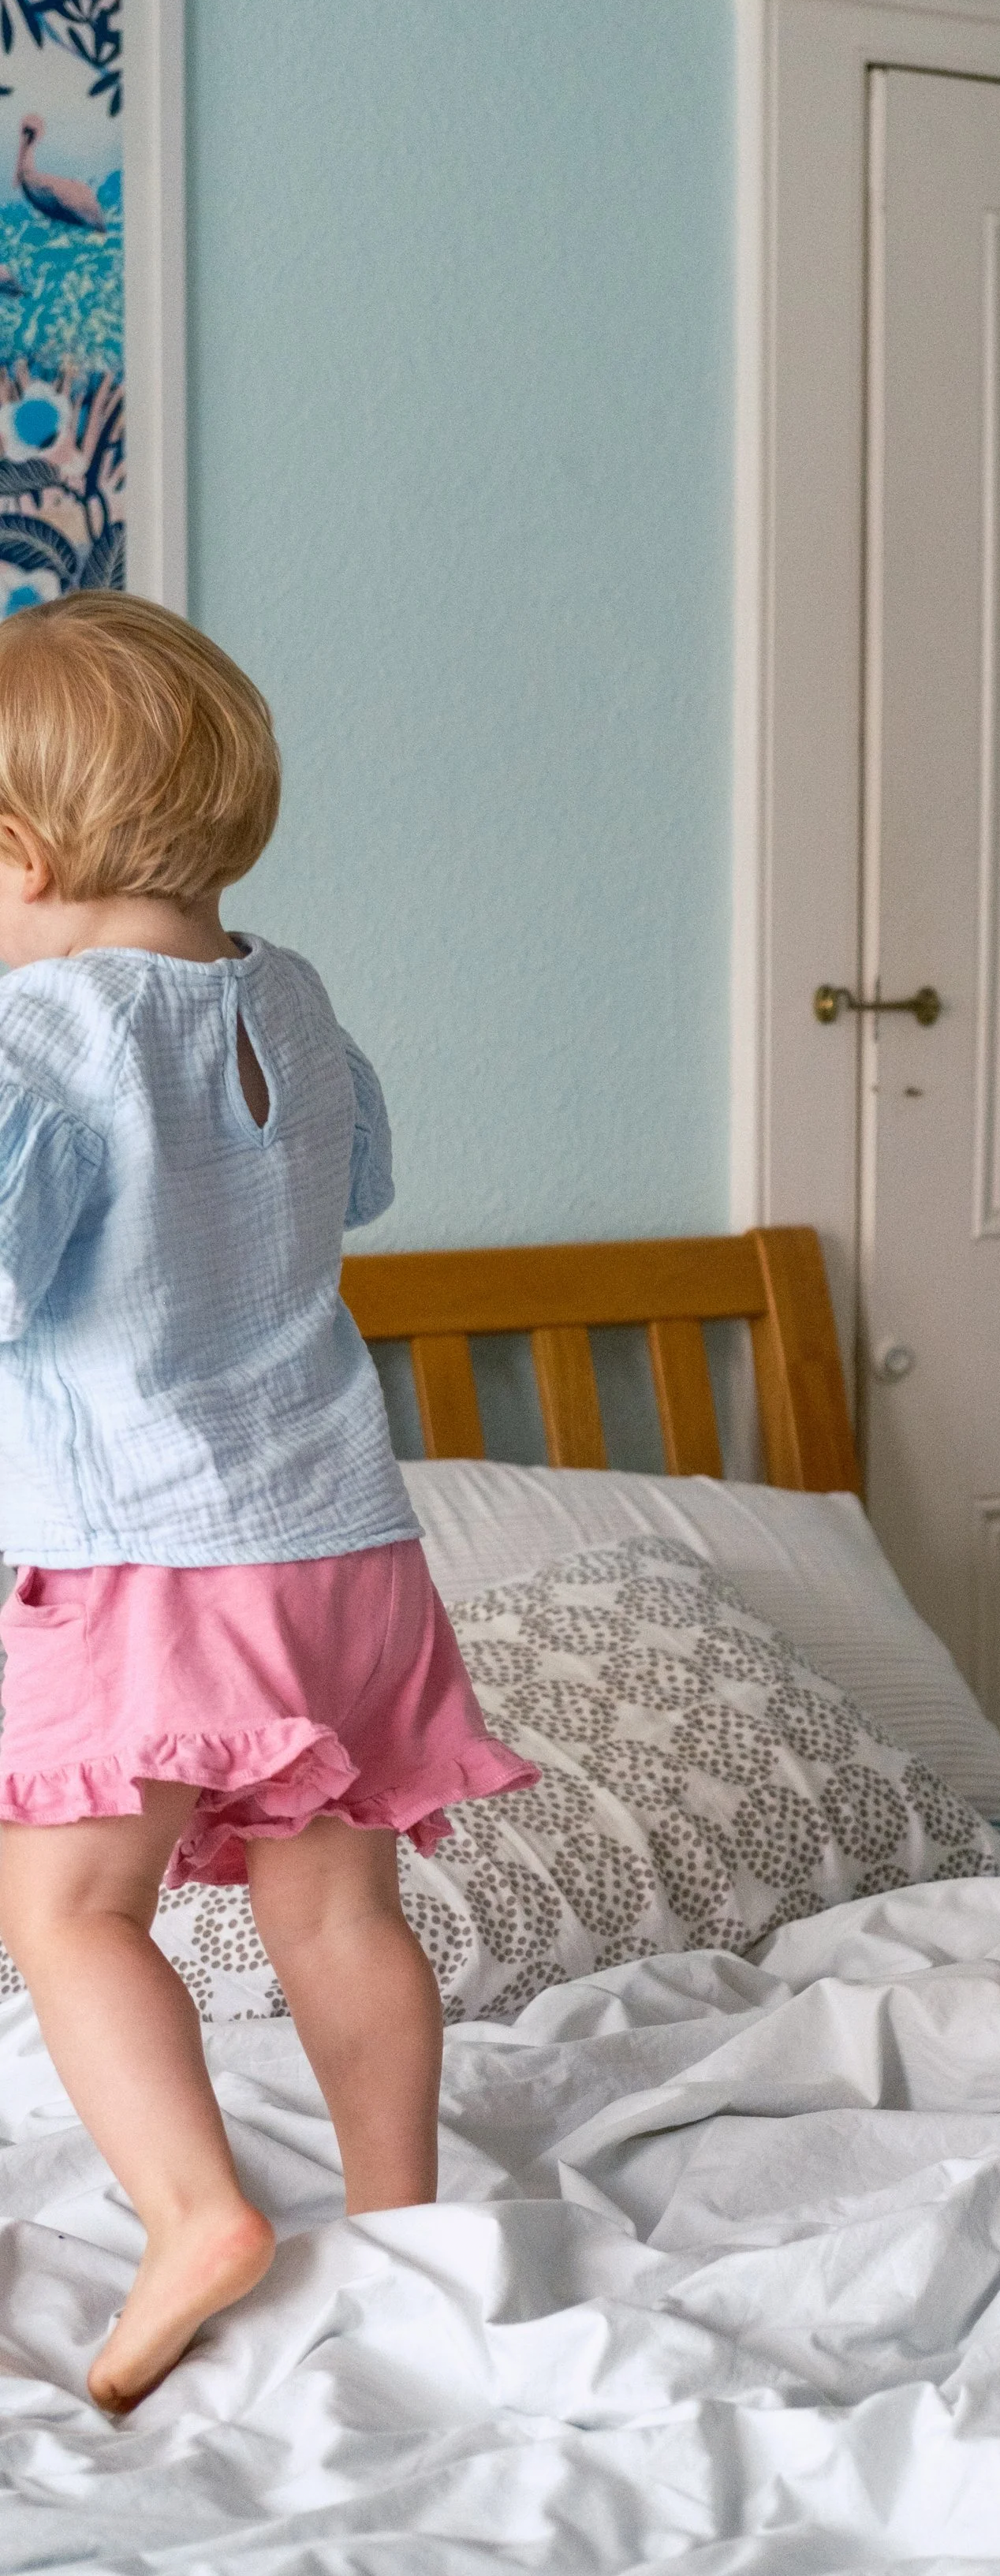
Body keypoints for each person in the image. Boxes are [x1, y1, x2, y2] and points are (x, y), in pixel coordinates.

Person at [0, 592, 536, 2412]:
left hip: (150, 1560)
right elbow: (360, 1175)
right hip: (348, 1547)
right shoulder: (287, 1000)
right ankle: (402, 2224)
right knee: (337, 1915)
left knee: (71, 1910)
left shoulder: (43, 1038)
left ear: (22, 853)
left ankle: (191, 2213)